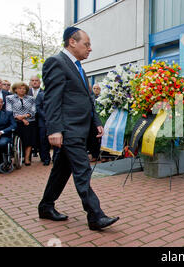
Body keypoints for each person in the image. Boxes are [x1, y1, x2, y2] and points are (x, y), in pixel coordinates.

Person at [38, 27, 119, 231]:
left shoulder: (78, 67)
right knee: (82, 169)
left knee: (61, 170)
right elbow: (52, 99)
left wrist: (97, 121)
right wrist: (54, 129)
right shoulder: (56, 62)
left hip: (80, 129)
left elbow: (87, 99)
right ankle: (95, 215)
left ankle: (46, 206)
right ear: (72, 42)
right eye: (87, 44)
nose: (90, 48)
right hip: (68, 129)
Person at [6, 82, 37, 166]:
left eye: (24, 89)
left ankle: (27, 159)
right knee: (18, 139)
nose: (22, 90)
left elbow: (33, 111)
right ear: (15, 89)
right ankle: (18, 157)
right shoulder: (9, 98)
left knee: (29, 140)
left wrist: (25, 116)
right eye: (20, 88)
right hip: (16, 121)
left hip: (30, 121)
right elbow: (9, 110)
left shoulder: (31, 98)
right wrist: (22, 119)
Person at [35, 89, 59, 165]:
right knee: (44, 141)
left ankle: (56, 158)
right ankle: (46, 158)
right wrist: (46, 117)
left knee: (56, 141)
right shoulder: (40, 95)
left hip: (56, 121)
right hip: (43, 122)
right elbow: (38, 107)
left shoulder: (57, 93)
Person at [28, 76, 42, 158]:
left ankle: (42, 154)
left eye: (36, 80)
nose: (34, 82)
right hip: (29, 118)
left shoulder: (44, 92)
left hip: (40, 118)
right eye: (32, 80)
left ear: (39, 82)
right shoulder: (26, 92)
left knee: (40, 136)